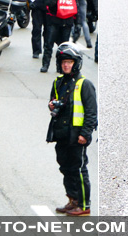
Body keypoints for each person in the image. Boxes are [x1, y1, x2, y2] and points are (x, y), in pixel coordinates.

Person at [47, 43, 97, 216]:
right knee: (65, 168)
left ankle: (84, 205)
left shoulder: (85, 84)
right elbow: (53, 104)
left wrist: (85, 134)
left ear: (76, 63)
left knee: (79, 170)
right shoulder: (58, 82)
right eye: (63, 62)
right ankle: (72, 200)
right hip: (62, 134)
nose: (66, 65)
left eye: (69, 62)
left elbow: (91, 112)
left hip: (77, 136)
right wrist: (52, 105)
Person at [41, 0, 78, 73]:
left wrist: (78, 24)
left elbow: (76, 7)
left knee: (63, 49)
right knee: (49, 45)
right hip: (54, 22)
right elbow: (48, 3)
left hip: (67, 23)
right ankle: (45, 65)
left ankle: (60, 68)